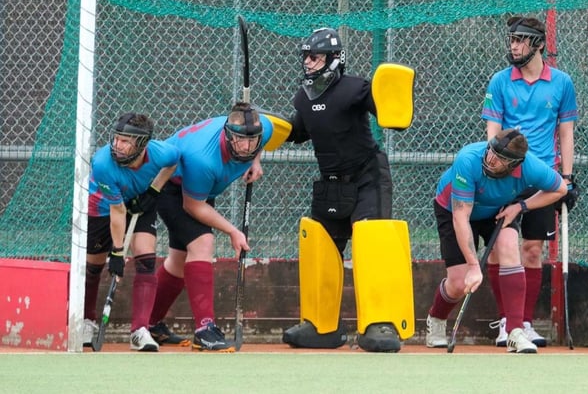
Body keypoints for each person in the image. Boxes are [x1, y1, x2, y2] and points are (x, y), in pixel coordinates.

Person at [282, 27, 415, 353]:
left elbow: (387, 110)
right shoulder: (303, 97)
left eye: (315, 57)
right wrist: (263, 126)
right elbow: (298, 130)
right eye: (306, 57)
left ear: (333, 59)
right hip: (331, 183)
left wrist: (393, 97)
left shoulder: (355, 88)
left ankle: (378, 324)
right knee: (320, 244)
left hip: (367, 176)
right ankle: (320, 325)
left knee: (372, 239)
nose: (309, 63)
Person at [481, 15, 579, 347]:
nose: (514, 46)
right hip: (505, 177)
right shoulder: (499, 81)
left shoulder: (562, 83)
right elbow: (492, 131)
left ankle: (524, 322)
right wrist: (493, 166)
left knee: (533, 250)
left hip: (542, 177)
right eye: (511, 40)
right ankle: (506, 324)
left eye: (520, 40)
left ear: (538, 44)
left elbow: (565, 132)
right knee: (499, 249)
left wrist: (566, 177)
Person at [424, 129, 567, 353]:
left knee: (510, 247)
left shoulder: (530, 166)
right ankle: (437, 318)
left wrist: (520, 206)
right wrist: (473, 266)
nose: (490, 159)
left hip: (498, 211)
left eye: (499, 159)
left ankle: (514, 331)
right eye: (491, 152)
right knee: (459, 284)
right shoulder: (469, 159)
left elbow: (559, 189)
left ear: (515, 165)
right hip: (454, 209)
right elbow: (460, 217)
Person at [148, 102, 273, 352]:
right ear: (227, 134)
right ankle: (204, 330)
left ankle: (149, 325)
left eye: (253, 141)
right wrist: (233, 231)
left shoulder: (264, 128)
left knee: (179, 259)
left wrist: (255, 162)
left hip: (199, 188)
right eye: (241, 140)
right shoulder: (203, 159)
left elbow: (262, 141)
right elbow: (193, 205)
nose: (248, 147)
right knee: (202, 243)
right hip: (169, 184)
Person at [85, 112, 179, 351]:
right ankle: (87, 321)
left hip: (140, 202)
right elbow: (117, 210)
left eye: (126, 141)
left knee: (146, 260)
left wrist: (154, 191)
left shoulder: (161, 152)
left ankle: (140, 330)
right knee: (94, 267)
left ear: (142, 144)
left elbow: (174, 161)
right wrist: (117, 252)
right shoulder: (103, 162)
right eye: (117, 138)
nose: (118, 145)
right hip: (104, 206)